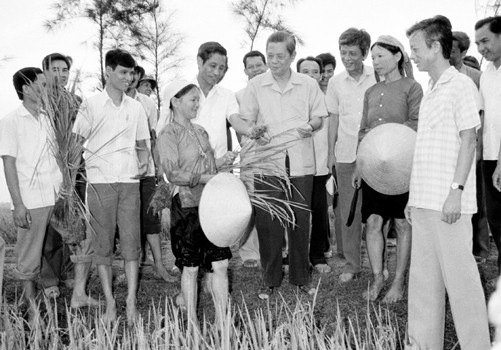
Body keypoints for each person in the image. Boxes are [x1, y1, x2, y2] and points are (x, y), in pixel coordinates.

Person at [405, 15, 490, 350]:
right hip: (424, 202)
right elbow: (426, 150)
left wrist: (455, 193)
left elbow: (469, 141)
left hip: (450, 204)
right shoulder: (431, 90)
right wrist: (412, 198)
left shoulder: (462, 87)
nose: (412, 54)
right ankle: (423, 345)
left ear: (435, 46)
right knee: (424, 284)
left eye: (415, 48)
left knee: (462, 284)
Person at [240, 31, 327, 299]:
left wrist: (309, 126)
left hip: (300, 161)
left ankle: (301, 278)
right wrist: (255, 131)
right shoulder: (256, 86)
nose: (274, 61)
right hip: (268, 162)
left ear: (292, 56)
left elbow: (319, 117)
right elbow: (245, 121)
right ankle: (270, 279)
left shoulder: (307, 84)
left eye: (280, 56)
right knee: (268, 223)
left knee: (300, 221)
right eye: (270, 55)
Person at [72, 49, 150, 324]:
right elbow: (75, 143)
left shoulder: (136, 107)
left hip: (129, 183)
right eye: (123, 72)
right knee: (103, 247)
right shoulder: (91, 105)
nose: (128, 78)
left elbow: (142, 142)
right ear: (108, 72)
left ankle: (130, 303)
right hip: (100, 184)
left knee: (131, 246)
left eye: (131, 73)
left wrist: (142, 161)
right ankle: (109, 304)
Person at [156, 80, 236, 325]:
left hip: (211, 205)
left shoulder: (200, 131)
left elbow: (207, 164)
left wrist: (222, 162)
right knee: (190, 267)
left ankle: (223, 321)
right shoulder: (168, 134)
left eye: (198, 99)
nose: (197, 103)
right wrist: (205, 177)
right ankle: (191, 323)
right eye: (192, 99)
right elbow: (173, 173)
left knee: (220, 262)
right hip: (188, 205)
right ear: (175, 102)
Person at [353, 36, 422, 302]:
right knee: (373, 221)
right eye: (373, 58)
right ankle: (377, 276)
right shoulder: (371, 92)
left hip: (404, 166)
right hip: (373, 167)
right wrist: (361, 165)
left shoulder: (412, 87)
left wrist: (388, 135)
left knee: (403, 223)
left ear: (398, 56)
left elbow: (416, 122)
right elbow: (362, 132)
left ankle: (398, 281)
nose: (376, 62)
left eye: (381, 56)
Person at [0, 67, 62, 318]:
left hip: (57, 196)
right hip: (31, 198)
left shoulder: (49, 117)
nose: (47, 89)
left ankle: (71, 290)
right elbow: (9, 163)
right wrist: (18, 203)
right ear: (26, 89)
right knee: (29, 252)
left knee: (78, 243)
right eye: (42, 84)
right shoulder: (11, 121)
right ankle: (30, 302)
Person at [326, 28, 376, 283]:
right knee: (348, 211)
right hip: (345, 155)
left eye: (353, 53)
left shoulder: (377, 76)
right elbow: (333, 119)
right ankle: (351, 265)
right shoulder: (335, 83)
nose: (347, 58)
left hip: (377, 154)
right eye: (343, 53)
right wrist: (330, 154)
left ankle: (378, 265)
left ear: (365, 53)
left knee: (377, 211)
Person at [125, 67, 175, 283]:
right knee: (126, 223)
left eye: (136, 74)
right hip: (121, 174)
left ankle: (159, 267)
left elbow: (154, 138)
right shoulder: (112, 102)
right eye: (128, 73)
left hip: (145, 172)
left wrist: (159, 166)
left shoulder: (147, 105)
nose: (131, 78)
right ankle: (128, 272)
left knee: (151, 220)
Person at [449, 31, 489, 263]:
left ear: (463, 53)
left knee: (477, 202)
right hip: (451, 151)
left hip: (475, 149)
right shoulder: (439, 78)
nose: (449, 54)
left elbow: (483, 117)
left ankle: (480, 250)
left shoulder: (476, 77)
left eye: (453, 51)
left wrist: (479, 149)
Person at [40, 52, 76, 299]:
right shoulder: (40, 101)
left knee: (71, 223)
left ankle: (68, 271)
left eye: (65, 70)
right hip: (46, 169)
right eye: (56, 69)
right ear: (45, 71)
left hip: (72, 168)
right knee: (50, 228)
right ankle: (49, 277)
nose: (62, 74)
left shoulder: (74, 101)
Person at [297, 56, 332, 274]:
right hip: (296, 167)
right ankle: (296, 255)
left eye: (315, 71)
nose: (310, 76)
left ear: (321, 75)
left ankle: (318, 256)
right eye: (305, 71)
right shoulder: (290, 99)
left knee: (319, 211)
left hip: (320, 165)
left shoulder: (327, 99)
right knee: (297, 213)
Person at [235, 50, 268, 269]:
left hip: (273, 155)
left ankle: (272, 249)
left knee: (271, 202)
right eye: (251, 66)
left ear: (266, 66)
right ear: (245, 70)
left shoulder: (272, 91)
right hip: (249, 155)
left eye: (259, 65)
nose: (256, 69)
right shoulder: (238, 95)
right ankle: (248, 252)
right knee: (250, 205)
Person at [476, 16, 501, 280]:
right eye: (478, 43)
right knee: (496, 220)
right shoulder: (487, 75)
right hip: (490, 158)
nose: (481, 48)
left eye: (486, 41)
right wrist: (479, 155)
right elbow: (483, 119)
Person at [317, 52, 342, 259]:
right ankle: (324, 244)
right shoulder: (312, 93)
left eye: (329, 71)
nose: (325, 75)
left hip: (336, 152)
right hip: (317, 155)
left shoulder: (337, 90)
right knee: (322, 204)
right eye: (322, 71)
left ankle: (339, 245)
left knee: (336, 202)